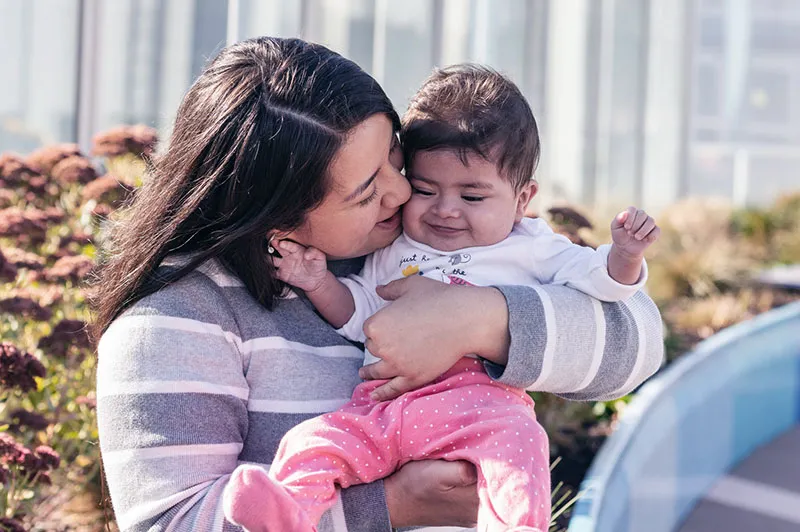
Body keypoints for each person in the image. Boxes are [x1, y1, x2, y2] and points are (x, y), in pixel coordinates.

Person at [93, 37, 664, 532]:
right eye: (367, 190)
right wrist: (395, 505)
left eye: (395, 160)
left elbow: (637, 346)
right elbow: (171, 524)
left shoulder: (387, 249)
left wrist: (479, 319)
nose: (400, 195)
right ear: (274, 211)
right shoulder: (174, 323)